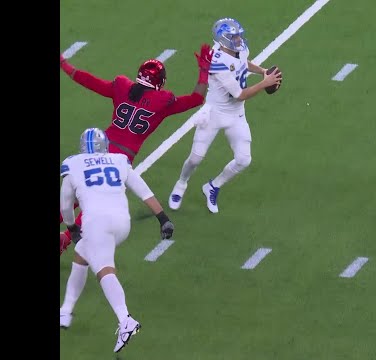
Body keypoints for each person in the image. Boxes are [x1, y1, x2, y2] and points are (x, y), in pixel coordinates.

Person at [59, 43, 213, 253]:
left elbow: (89, 81)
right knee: (97, 198)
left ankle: (66, 235)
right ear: (160, 82)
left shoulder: (122, 86)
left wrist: (65, 66)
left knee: (76, 194)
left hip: (98, 147)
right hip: (120, 157)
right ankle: (66, 238)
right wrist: (204, 71)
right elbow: (197, 98)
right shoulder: (162, 101)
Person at [59, 127, 174, 353]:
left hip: (96, 223)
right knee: (82, 252)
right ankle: (66, 311)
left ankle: (125, 320)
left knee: (104, 269)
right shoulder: (118, 160)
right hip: (122, 223)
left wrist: (71, 227)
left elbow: (65, 206)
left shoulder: (73, 164)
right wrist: (163, 218)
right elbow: (142, 189)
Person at [168, 18, 282, 214]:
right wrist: (265, 83)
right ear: (222, 39)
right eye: (233, 36)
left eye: (238, 35)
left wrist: (262, 71)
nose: (238, 39)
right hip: (214, 113)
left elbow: (243, 62)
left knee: (244, 159)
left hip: (236, 114)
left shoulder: (240, 47)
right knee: (196, 158)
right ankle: (181, 183)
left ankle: (213, 186)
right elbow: (240, 94)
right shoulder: (216, 60)